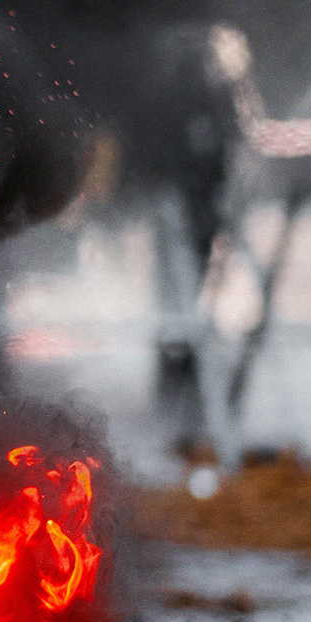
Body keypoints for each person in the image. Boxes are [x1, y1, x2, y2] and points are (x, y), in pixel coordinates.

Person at [119, 27, 240, 389]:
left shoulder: (186, 96)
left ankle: (180, 342)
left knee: (183, 270)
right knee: (182, 270)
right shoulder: (182, 97)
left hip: (191, 195)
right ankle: (179, 342)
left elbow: (220, 145)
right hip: (183, 194)